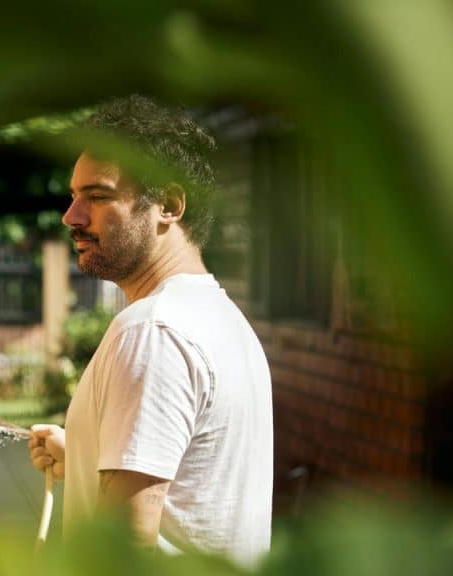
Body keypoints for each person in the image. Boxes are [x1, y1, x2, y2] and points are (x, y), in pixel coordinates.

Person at [28, 95, 272, 567]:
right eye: (73, 196)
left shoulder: (153, 332)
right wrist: (83, 457)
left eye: (97, 197)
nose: (71, 216)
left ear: (169, 204)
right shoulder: (222, 318)